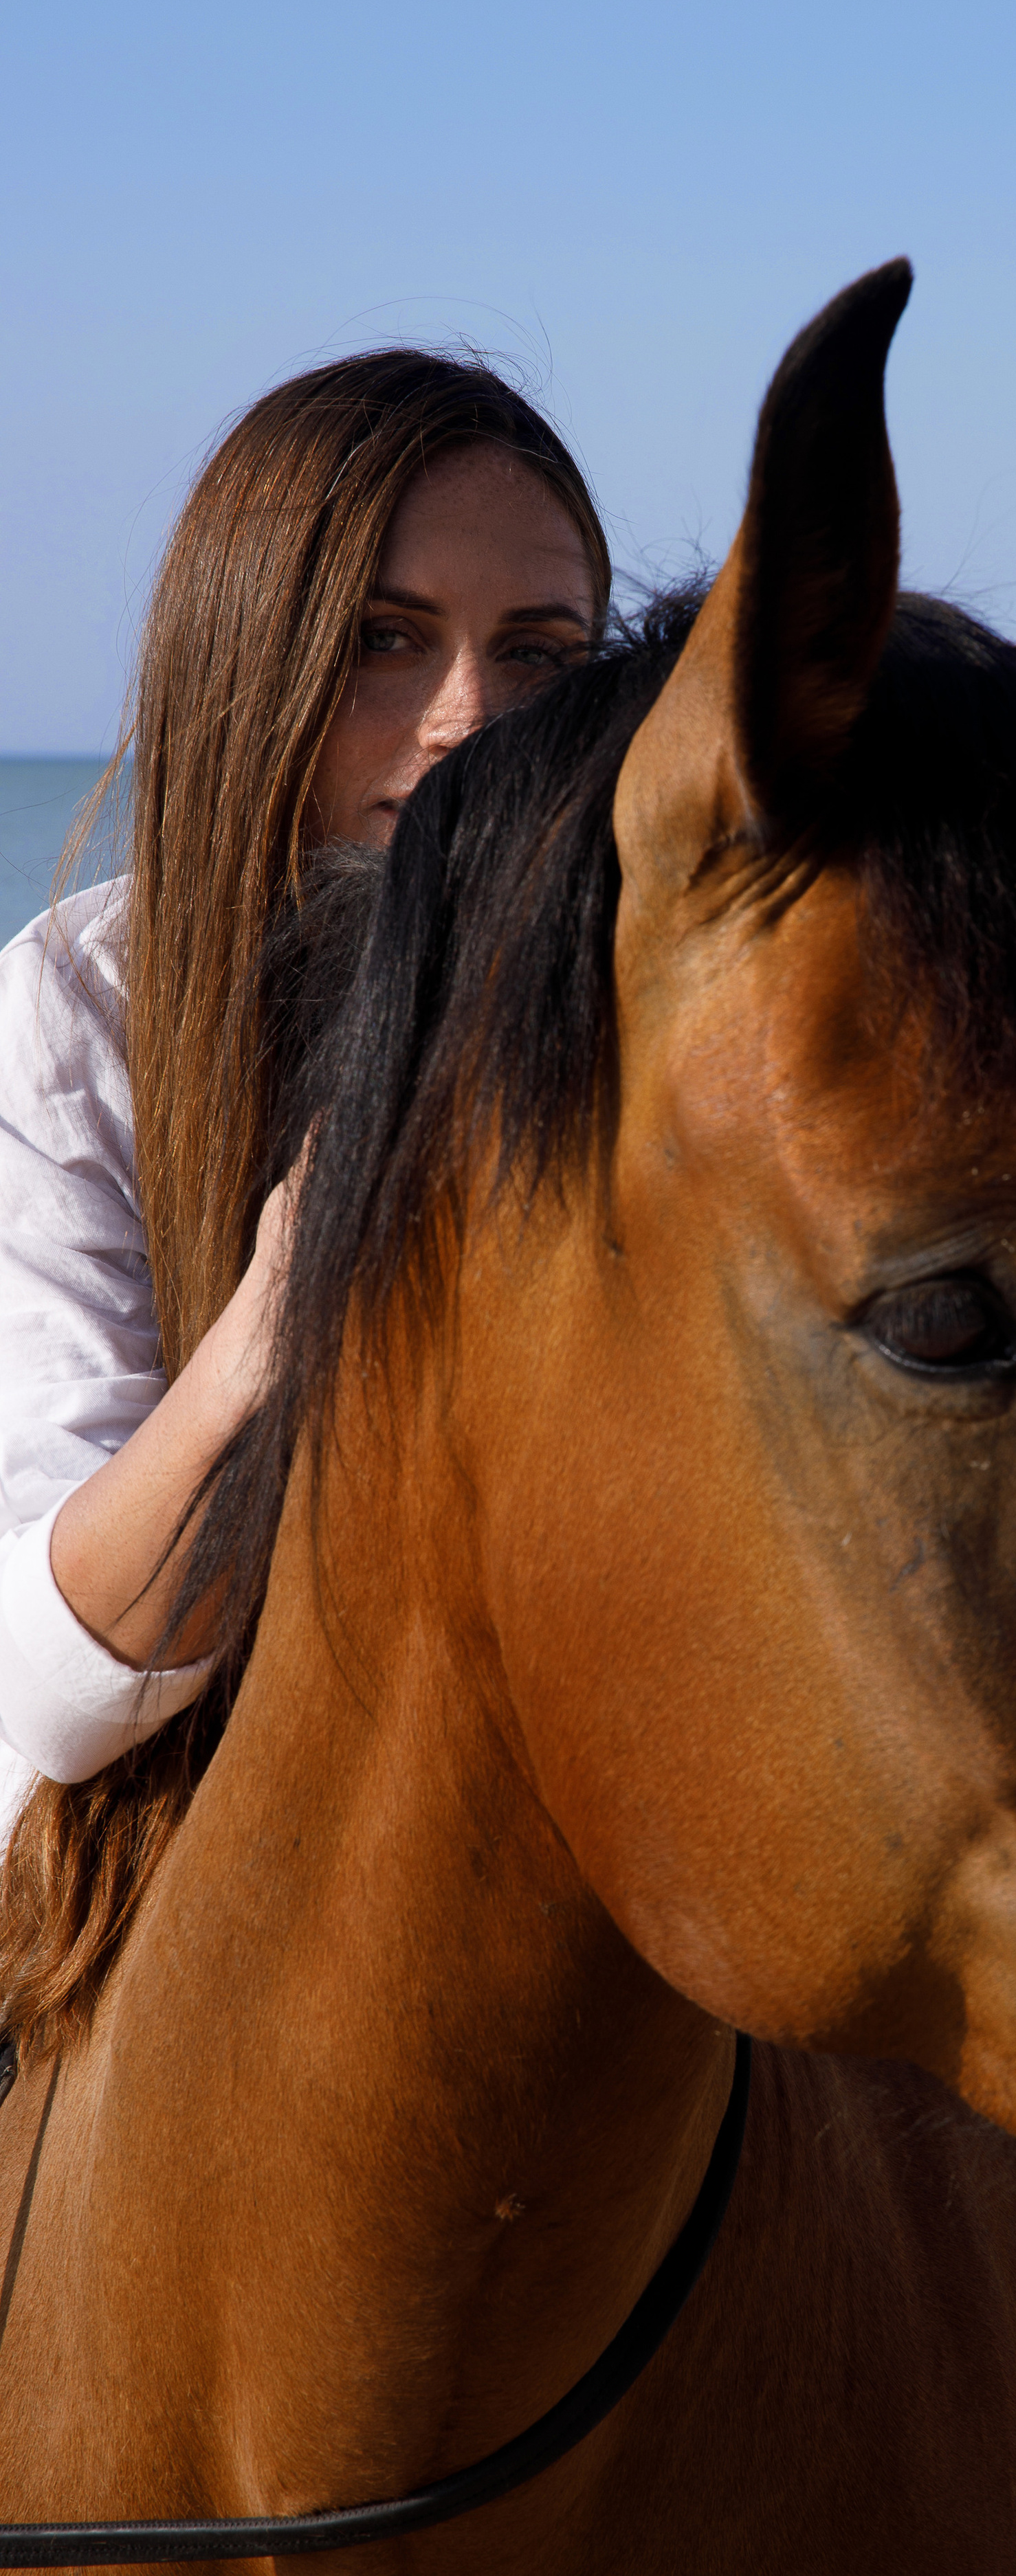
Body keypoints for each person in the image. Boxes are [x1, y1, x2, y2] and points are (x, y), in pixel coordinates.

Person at [0, 350, 610, 1850]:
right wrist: (297, 1285)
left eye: (538, 653)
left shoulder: (650, 1007)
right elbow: (63, 1690)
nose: (469, 715)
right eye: (383, 640)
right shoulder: (80, 1006)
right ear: (247, 662)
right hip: (157, 1888)